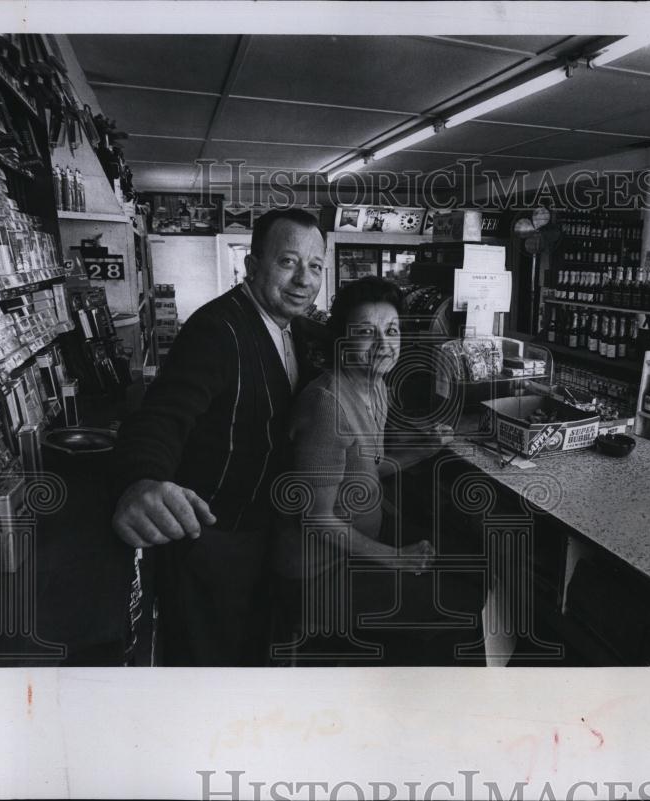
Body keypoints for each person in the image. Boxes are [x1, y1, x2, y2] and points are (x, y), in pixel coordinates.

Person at [110, 208, 326, 666]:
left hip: (261, 532)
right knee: (208, 661)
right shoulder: (216, 329)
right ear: (251, 266)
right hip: (210, 540)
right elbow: (163, 416)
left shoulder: (298, 330)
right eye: (288, 262)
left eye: (316, 266)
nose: (304, 279)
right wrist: (142, 480)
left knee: (250, 651)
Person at [272, 276, 484, 666]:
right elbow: (316, 519)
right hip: (321, 574)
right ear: (342, 340)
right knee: (461, 609)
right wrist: (394, 558)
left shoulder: (375, 386)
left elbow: (366, 469)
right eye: (367, 333)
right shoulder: (326, 405)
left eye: (391, 330)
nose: (384, 344)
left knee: (472, 569)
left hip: (358, 546)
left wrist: (424, 449)